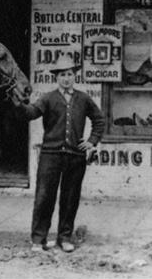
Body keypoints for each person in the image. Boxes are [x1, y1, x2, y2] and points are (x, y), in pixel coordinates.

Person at [23, 56, 104, 253]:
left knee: (70, 198)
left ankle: (65, 237)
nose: (66, 78)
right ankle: (38, 239)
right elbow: (31, 113)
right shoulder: (48, 98)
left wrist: (91, 141)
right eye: (62, 75)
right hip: (50, 155)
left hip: (76, 157)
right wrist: (19, 103)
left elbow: (99, 120)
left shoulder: (83, 98)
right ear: (56, 78)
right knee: (44, 197)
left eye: (69, 74)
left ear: (74, 76)